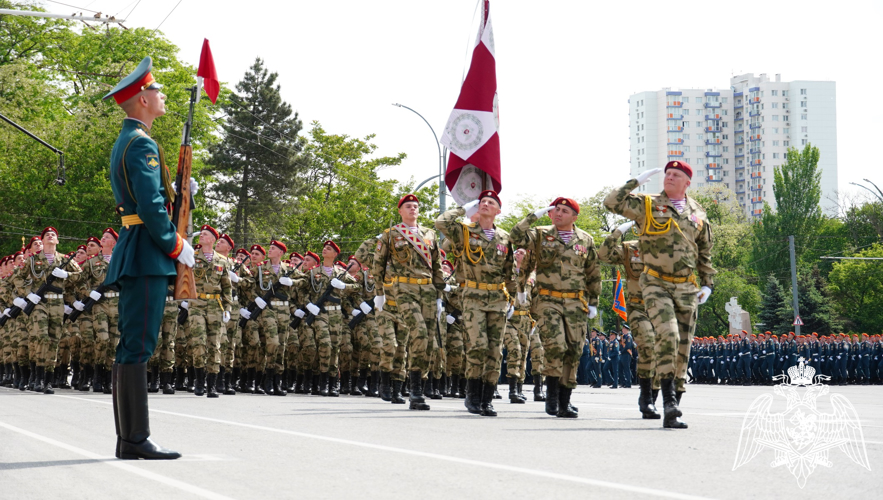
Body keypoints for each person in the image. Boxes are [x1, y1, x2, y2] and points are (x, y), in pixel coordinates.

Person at [103, 56, 194, 459]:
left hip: (138, 249)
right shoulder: (141, 143)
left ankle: (130, 438)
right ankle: (135, 440)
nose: (162, 95)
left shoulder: (132, 140)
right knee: (137, 346)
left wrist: (178, 189)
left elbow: (154, 198)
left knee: (134, 345)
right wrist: (176, 245)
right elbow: (151, 207)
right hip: (146, 253)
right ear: (142, 99)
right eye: (157, 90)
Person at [604, 161, 715, 429]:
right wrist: (636, 183)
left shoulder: (698, 211)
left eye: (676, 175)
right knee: (668, 334)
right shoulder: (647, 203)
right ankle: (667, 402)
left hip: (687, 287)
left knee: (683, 347)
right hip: (655, 282)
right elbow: (611, 202)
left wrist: (708, 284)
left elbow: (705, 252)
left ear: (687, 182)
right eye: (667, 174)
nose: (669, 178)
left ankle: (675, 402)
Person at [510, 197, 601, 418]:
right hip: (548, 301)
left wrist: (594, 302)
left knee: (573, 350)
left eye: (564, 210)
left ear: (574, 217)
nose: (558, 213)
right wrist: (535, 215)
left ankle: (565, 401)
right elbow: (516, 236)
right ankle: (551, 398)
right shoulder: (541, 234)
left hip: (575, 302)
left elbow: (593, 272)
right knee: (556, 347)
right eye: (556, 210)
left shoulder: (585, 240)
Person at [436, 191, 516, 416]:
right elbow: (441, 222)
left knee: (495, 350)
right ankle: (472, 395)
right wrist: (464, 207)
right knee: (477, 346)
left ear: (498, 211)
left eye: (491, 202)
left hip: (498, 299)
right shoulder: (465, 232)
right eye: (482, 202)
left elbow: (510, 272)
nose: (485, 204)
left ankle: (487, 398)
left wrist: (514, 299)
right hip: (473, 296)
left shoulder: (505, 238)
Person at [374, 194, 445, 411]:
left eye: (415, 206)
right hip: (404, 289)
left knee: (427, 342)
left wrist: (440, 295)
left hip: (428, 289)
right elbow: (378, 264)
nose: (413, 209)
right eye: (408, 206)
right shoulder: (391, 235)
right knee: (419, 333)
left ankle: (417, 390)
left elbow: (437, 266)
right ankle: (412, 391)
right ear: (400, 211)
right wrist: (379, 293)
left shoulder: (430, 234)